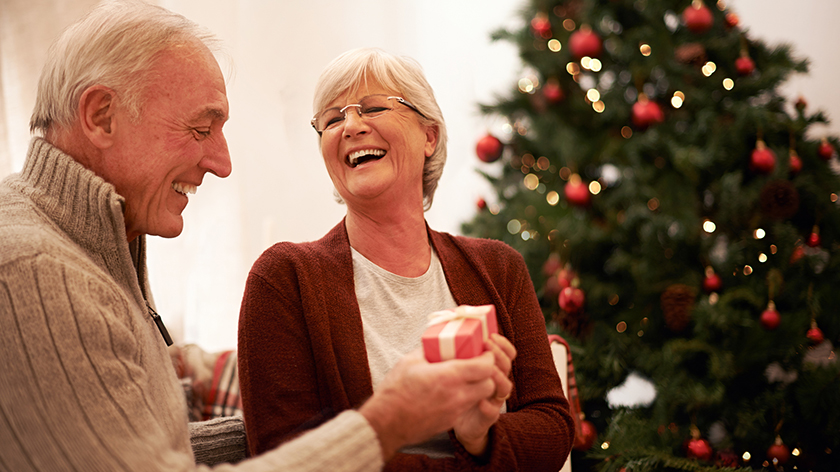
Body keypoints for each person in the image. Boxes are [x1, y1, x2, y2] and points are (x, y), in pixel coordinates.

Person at [0, 3, 510, 471]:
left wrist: (299, 427)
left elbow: (125, 446)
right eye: (202, 129)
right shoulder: (40, 275)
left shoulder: (92, 247)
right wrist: (386, 422)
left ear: (431, 136)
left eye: (374, 108)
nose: (222, 164)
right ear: (101, 116)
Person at [238, 47, 575, 471]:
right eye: (332, 118)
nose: (351, 126)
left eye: (373, 107)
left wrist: (480, 436)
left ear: (429, 136)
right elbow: (284, 455)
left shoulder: (497, 267)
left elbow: (552, 430)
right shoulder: (285, 278)